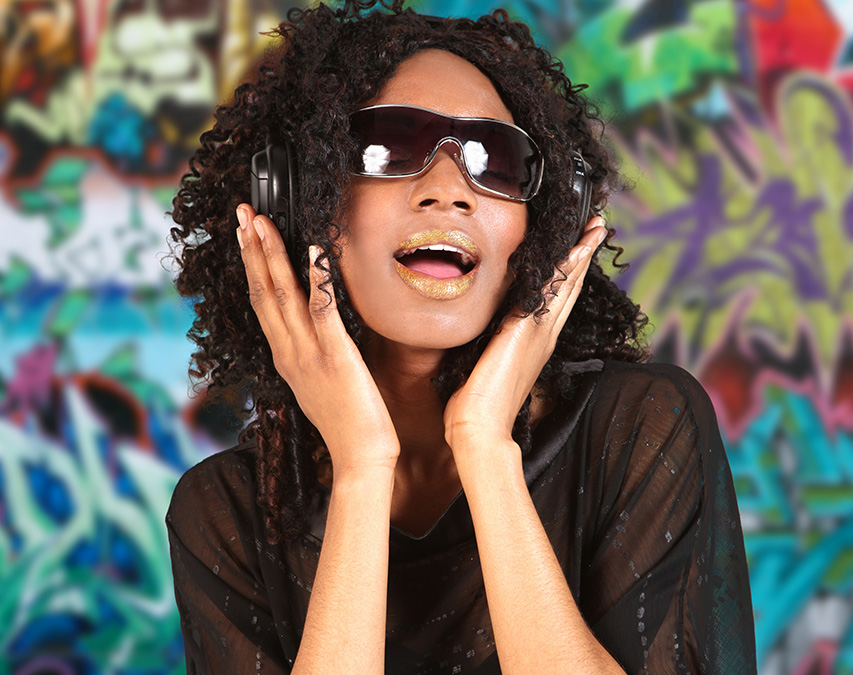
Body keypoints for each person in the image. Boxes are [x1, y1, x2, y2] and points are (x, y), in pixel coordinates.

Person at [165, 2, 756, 673]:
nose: (449, 192)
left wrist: (484, 447)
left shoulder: (640, 429)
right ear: (296, 200)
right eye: (387, 149)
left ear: (545, 224)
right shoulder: (226, 512)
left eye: (494, 160)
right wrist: (362, 466)